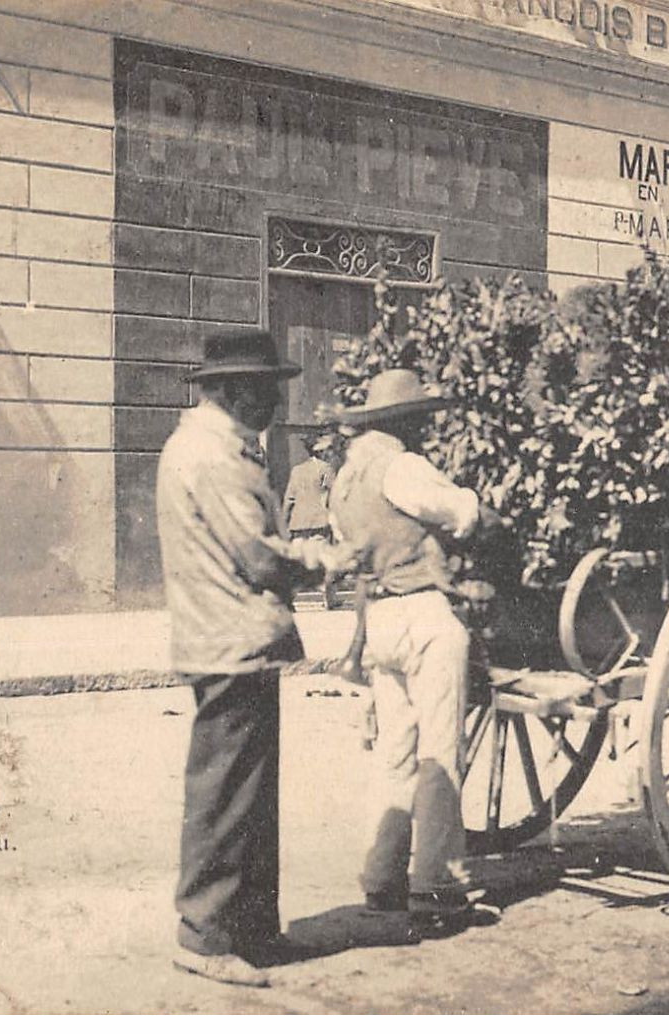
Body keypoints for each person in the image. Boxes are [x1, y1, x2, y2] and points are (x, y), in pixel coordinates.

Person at [156, 330, 346, 988]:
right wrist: (323, 558)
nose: (273, 400)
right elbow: (259, 555)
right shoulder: (214, 456)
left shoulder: (213, 446)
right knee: (227, 796)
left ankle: (252, 930)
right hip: (228, 640)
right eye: (265, 388)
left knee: (250, 795)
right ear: (232, 387)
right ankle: (205, 935)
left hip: (232, 639)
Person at [328, 368, 499, 938]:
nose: (426, 427)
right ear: (403, 421)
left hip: (378, 617)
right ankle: (437, 886)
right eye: (420, 418)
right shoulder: (402, 465)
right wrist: (484, 512)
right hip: (425, 616)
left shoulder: (347, 477)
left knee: (395, 752)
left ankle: (382, 878)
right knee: (440, 754)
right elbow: (459, 513)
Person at [282, 432, 337, 542]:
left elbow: (289, 500)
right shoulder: (325, 469)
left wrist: (283, 524)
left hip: (298, 524)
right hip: (319, 524)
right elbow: (335, 497)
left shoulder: (297, 470)